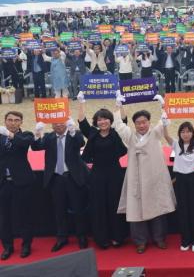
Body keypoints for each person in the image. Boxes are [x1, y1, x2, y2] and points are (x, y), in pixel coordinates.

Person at [113, 94, 176, 254]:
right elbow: (119, 126)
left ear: (149, 122)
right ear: (134, 124)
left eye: (144, 122)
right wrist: (118, 107)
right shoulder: (130, 137)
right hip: (136, 180)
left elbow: (165, 120)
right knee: (136, 211)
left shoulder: (155, 134)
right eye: (138, 123)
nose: (142, 125)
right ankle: (140, 241)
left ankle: (159, 238)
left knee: (158, 209)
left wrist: (163, 105)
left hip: (154, 179)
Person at [76, 93, 128, 249]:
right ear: (96, 122)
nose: (103, 121)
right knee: (99, 206)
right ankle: (102, 238)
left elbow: (124, 121)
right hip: (97, 175)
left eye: (105, 118)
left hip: (115, 174)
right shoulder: (92, 133)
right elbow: (82, 122)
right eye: (99, 119)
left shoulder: (115, 132)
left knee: (115, 205)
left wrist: (120, 105)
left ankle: (118, 236)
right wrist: (81, 103)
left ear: (110, 120)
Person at [32, 118, 89, 252]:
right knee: (59, 209)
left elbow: (81, 142)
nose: (58, 125)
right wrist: (37, 134)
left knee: (78, 208)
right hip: (56, 178)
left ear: (66, 123)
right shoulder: (48, 137)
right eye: (55, 123)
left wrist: (73, 130)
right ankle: (62, 237)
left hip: (72, 177)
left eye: (61, 122)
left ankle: (81, 236)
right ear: (52, 125)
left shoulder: (74, 134)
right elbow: (35, 147)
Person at [162, 114, 194, 252]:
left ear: (192, 133)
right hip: (181, 179)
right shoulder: (176, 144)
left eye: (188, 131)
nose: (186, 134)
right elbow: (166, 137)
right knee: (183, 210)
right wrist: (164, 124)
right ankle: (186, 240)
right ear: (180, 134)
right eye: (183, 131)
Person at [0, 111, 35, 260]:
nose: (13, 122)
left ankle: (26, 245)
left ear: (21, 122)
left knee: (24, 215)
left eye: (16, 120)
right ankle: (7, 246)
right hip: (3, 183)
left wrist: (9, 134)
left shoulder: (26, 135)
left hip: (22, 183)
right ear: (5, 121)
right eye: (9, 120)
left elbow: (24, 144)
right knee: (4, 217)